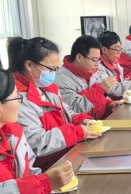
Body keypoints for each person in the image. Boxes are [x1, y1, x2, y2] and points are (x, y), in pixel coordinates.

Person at [8, 36, 100, 170]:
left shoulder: (47, 87)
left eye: (56, 69)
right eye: (50, 69)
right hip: (46, 167)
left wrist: (81, 120)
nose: (54, 74)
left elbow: (66, 112)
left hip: (65, 155)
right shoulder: (16, 99)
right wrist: (75, 132)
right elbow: (36, 143)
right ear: (29, 65)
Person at [55, 35, 123, 119]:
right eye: (94, 60)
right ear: (79, 57)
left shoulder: (91, 72)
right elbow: (76, 110)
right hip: (83, 125)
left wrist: (108, 105)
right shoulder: (61, 80)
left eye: (98, 60)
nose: (97, 64)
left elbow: (98, 99)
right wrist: (100, 90)